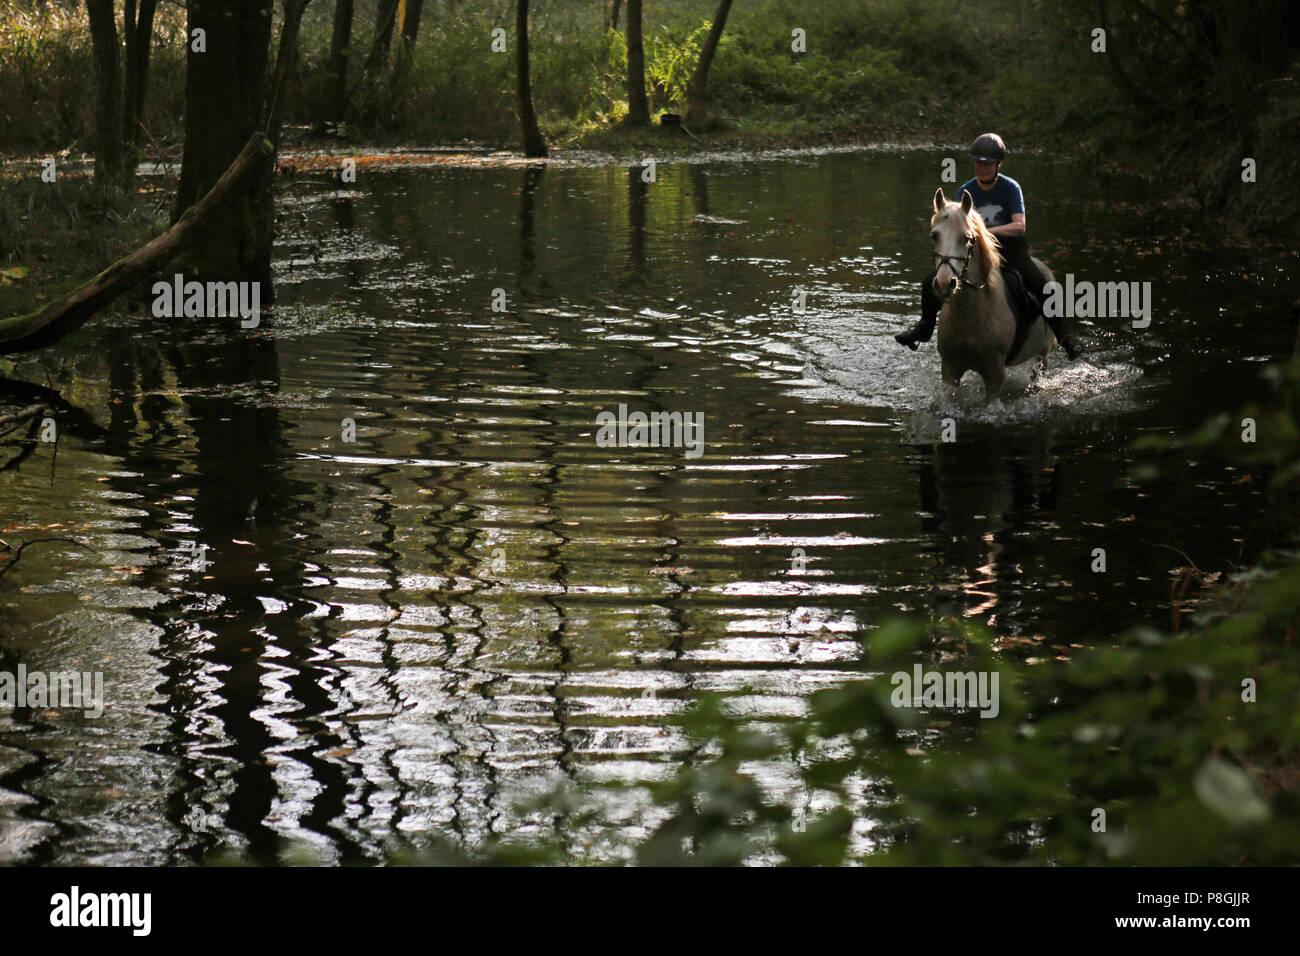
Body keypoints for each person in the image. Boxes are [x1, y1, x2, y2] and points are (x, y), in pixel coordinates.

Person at [894, 133, 1082, 359]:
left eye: (988, 163)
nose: (982, 167)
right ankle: (924, 328)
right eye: (978, 162)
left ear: (998, 165)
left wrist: (985, 233)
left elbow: (1019, 226)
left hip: (1010, 250)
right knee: (929, 283)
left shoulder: (1011, 188)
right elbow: (955, 227)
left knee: (1040, 284)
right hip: (975, 252)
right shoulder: (965, 190)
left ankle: (1064, 336)